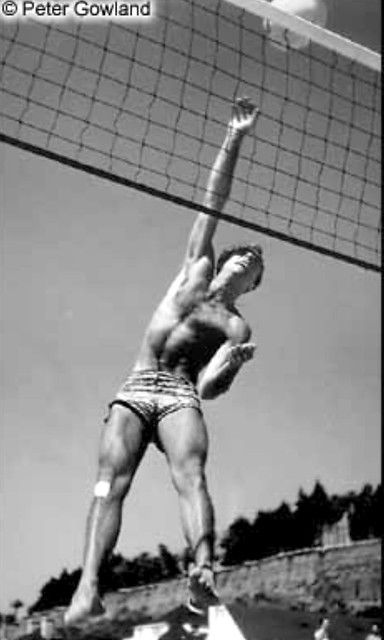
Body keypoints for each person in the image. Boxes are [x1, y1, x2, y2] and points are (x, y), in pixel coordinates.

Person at [64, 97, 263, 625]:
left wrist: (231, 364)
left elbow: (213, 385)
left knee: (192, 476)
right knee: (110, 482)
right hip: (137, 384)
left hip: (180, 394)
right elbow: (213, 198)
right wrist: (234, 135)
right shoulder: (196, 265)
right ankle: (87, 588)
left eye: (255, 268)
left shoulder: (236, 326)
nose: (249, 261)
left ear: (253, 285)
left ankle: (202, 574)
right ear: (225, 261)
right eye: (245, 255)